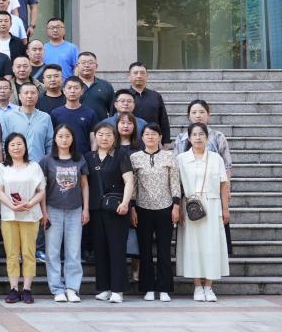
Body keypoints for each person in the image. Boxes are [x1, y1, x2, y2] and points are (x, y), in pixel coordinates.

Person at [176, 122, 231, 302]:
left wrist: (225, 209)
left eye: (201, 134)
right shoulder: (181, 159)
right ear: (189, 138)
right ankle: (197, 286)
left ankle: (209, 286)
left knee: (211, 246)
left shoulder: (216, 159)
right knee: (193, 246)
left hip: (213, 205)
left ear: (207, 137)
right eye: (194, 134)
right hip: (190, 206)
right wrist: (179, 208)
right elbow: (177, 187)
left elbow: (223, 184)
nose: (198, 137)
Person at [0, 133, 47, 304]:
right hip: (9, 215)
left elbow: (41, 191)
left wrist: (30, 203)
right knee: (12, 253)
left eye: (19, 144)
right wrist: (12, 206)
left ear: (25, 146)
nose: (16, 148)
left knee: (28, 253)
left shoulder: (34, 166)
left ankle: (27, 289)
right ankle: (14, 288)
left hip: (30, 215)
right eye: (12, 145)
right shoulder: (1, 167)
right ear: (7, 149)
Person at [41, 125, 90, 303]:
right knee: (52, 251)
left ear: (72, 139)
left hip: (75, 209)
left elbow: (84, 185)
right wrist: (44, 211)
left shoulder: (79, 159)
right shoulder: (47, 160)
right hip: (52, 209)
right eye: (60, 136)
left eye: (67, 136)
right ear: (55, 139)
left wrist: (85, 209)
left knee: (73, 251)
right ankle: (57, 289)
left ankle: (72, 288)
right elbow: (42, 188)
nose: (64, 139)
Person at [129, 124, 179, 302]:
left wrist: (176, 205)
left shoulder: (169, 156)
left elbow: (175, 182)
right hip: (142, 208)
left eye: (154, 134)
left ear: (160, 137)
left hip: (165, 207)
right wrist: (132, 208)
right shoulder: (135, 158)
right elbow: (133, 185)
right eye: (147, 134)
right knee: (145, 250)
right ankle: (148, 287)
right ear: (142, 137)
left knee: (164, 249)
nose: (150, 137)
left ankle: (164, 288)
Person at [87, 123, 134, 303]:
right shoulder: (89, 157)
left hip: (117, 209)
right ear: (95, 137)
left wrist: (126, 203)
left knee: (117, 249)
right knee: (100, 249)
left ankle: (118, 290)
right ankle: (105, 288)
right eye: (100, 134)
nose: (104, 138)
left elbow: (129, 181)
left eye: (108, 134)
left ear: (114, 137)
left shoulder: (121, 155)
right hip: (96, 209)